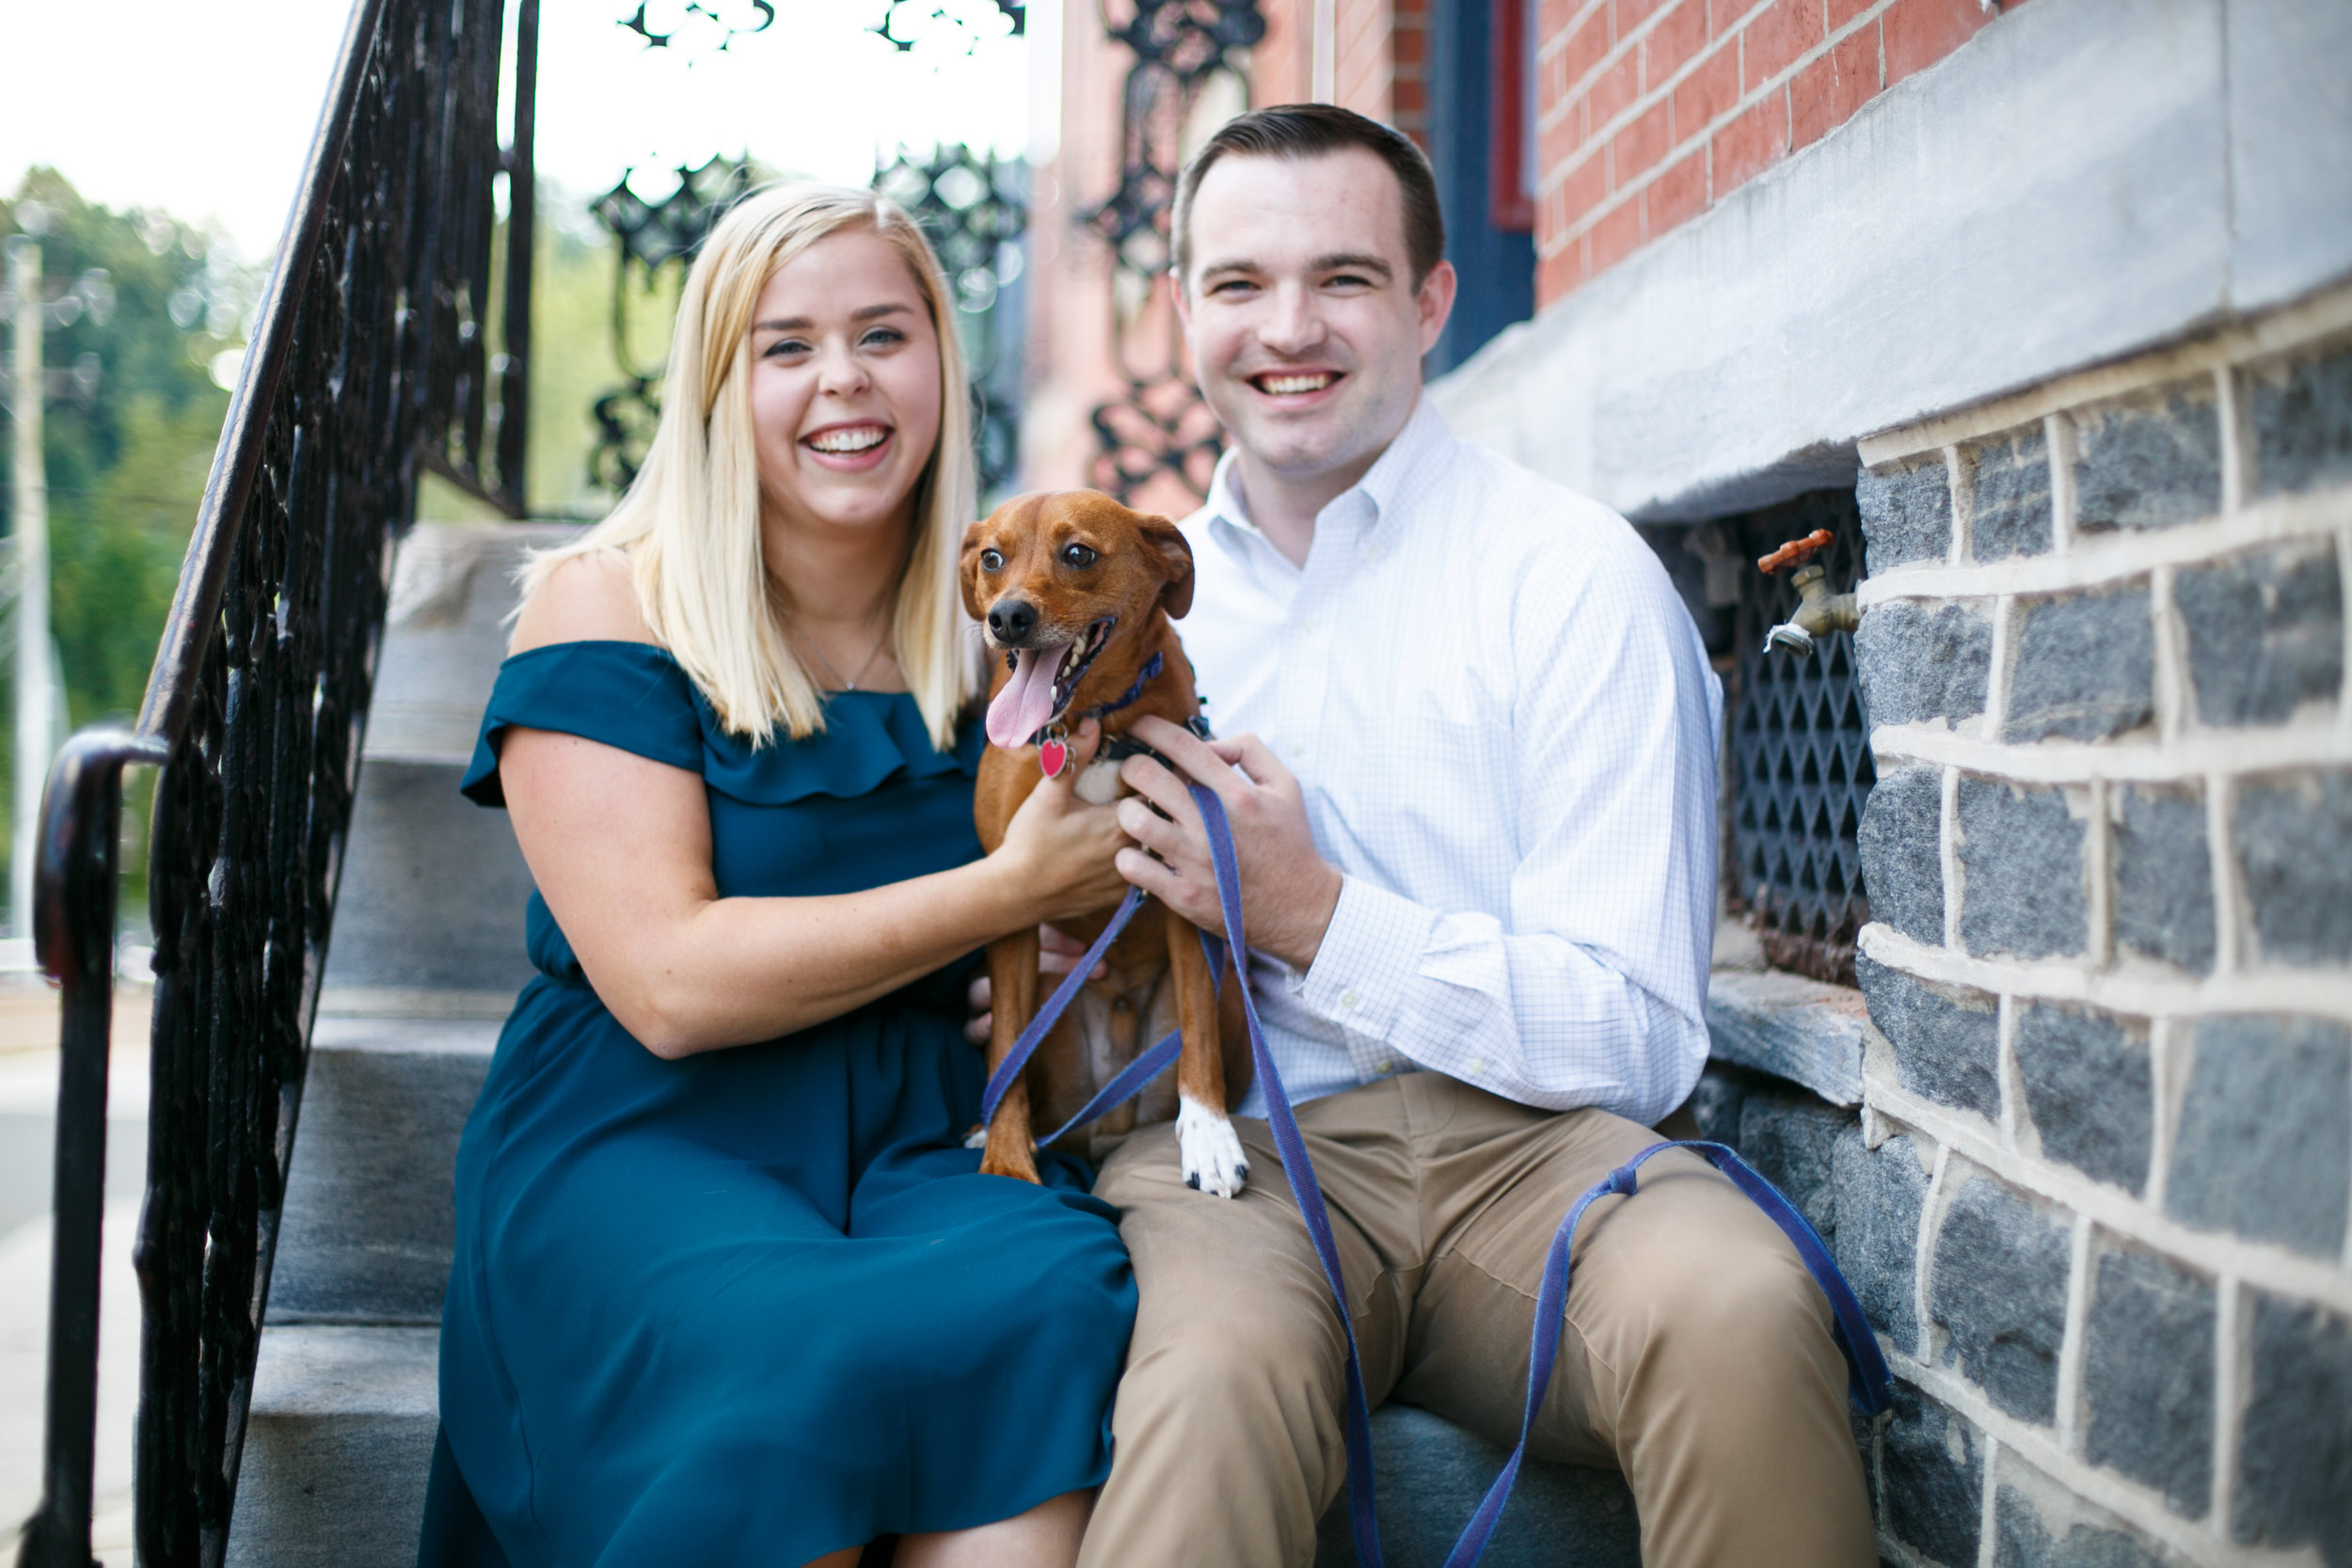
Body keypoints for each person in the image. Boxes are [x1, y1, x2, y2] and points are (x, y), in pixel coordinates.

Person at [1076, 105, 1877, 1567]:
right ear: (1181, 308)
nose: (1289, 329)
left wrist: (1313, 915)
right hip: (1244, 1162)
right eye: (1240, 285)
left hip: (1543, 1155)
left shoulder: (1571, 580)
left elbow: (1639, 1039)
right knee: (1208, 1389)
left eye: (1347, 279)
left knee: (1740, 1309)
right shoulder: (1126, 612)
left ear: (1433, 301)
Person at [419, 182, 1139, 1568]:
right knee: (785, 1358)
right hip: (652, 1130)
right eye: (787, 346)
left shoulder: (1006, 619)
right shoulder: (611, 602)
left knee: (1051, 1300)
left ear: (941, 361)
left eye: (885, 333)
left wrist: (1049, 967)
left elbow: (1098, 867)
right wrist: (1002, 900)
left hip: (926, 1131)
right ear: (717, 385)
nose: (845, 382)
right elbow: (669, 983)